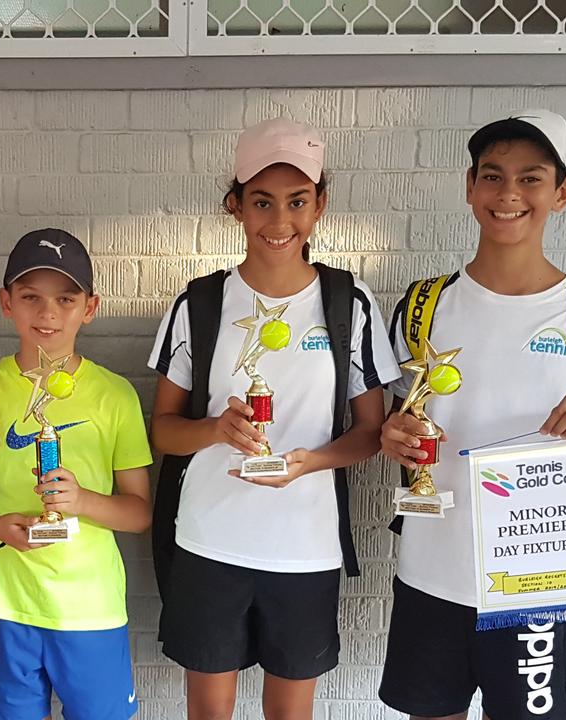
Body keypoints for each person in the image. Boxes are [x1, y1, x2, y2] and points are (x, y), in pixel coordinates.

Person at [377, 109, 566, 720]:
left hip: (536, 584)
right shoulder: (422, 305)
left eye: (531, 178)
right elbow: (398, 425)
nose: (509, 195)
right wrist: (394, 437)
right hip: (431, 572)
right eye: (492, 177)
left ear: (562, 192)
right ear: (470, 187)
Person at [147, 118, 399, 720]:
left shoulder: (348, 302)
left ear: (319, 207)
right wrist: (214, 429)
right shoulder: (201, 302)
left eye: (296, 201)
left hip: (305, 548)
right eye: (261, 201)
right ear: (235, 206)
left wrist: (312, 461)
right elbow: (162, 430)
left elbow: (373, 432)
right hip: (209, 542)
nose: (278, 220)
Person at [0, 229, 153, 720]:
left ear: (90, 307)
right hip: (7, 605)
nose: (47, 313)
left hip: (92, 608)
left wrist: (82, 501)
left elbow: (139, 513)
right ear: (6, 303)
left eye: (65, 299)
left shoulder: (115, 395)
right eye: (30, 298)